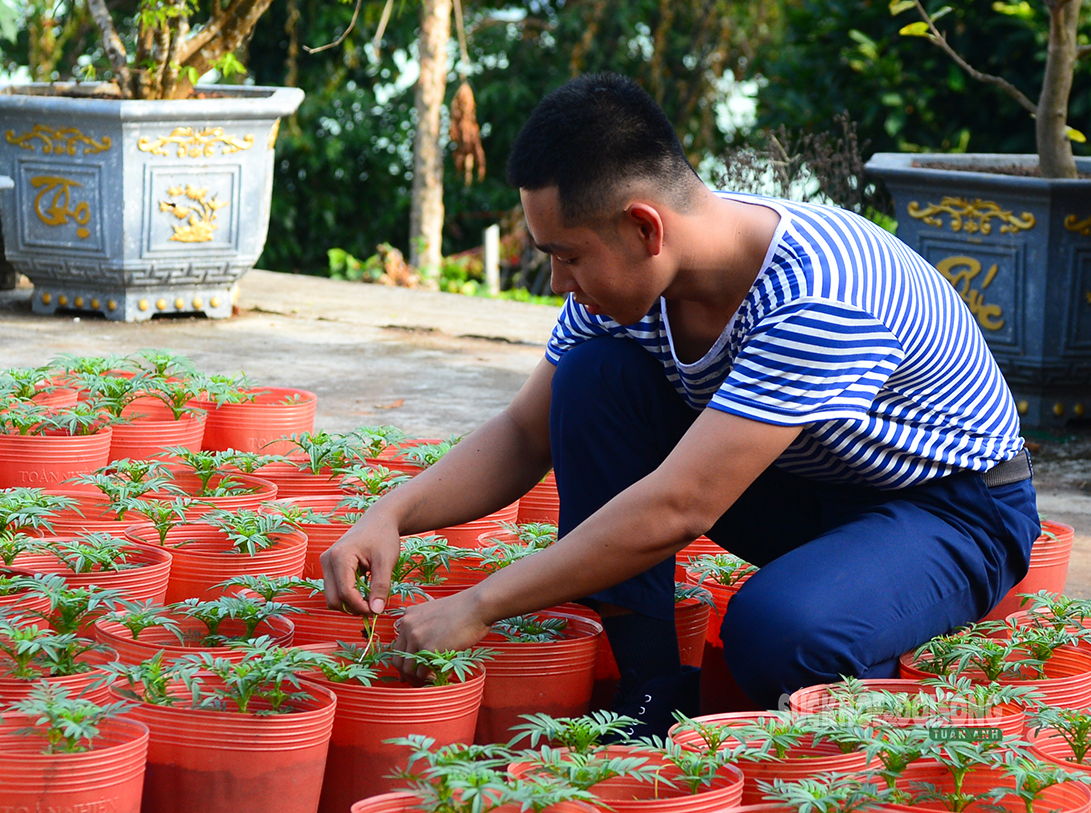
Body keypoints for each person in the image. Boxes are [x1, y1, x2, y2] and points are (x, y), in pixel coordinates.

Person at [321, 72, 1039, 728]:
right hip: (810, 483)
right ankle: (650, 696)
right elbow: (523, 432)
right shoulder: (623, 287)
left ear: (644, 227)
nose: (555, 283)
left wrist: (480, 604)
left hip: (950, 510)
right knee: (593, 379)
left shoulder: (820, 292)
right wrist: (390, 513)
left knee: (780, 633)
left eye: (566, 255)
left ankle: (864, 736)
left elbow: (681, 504)